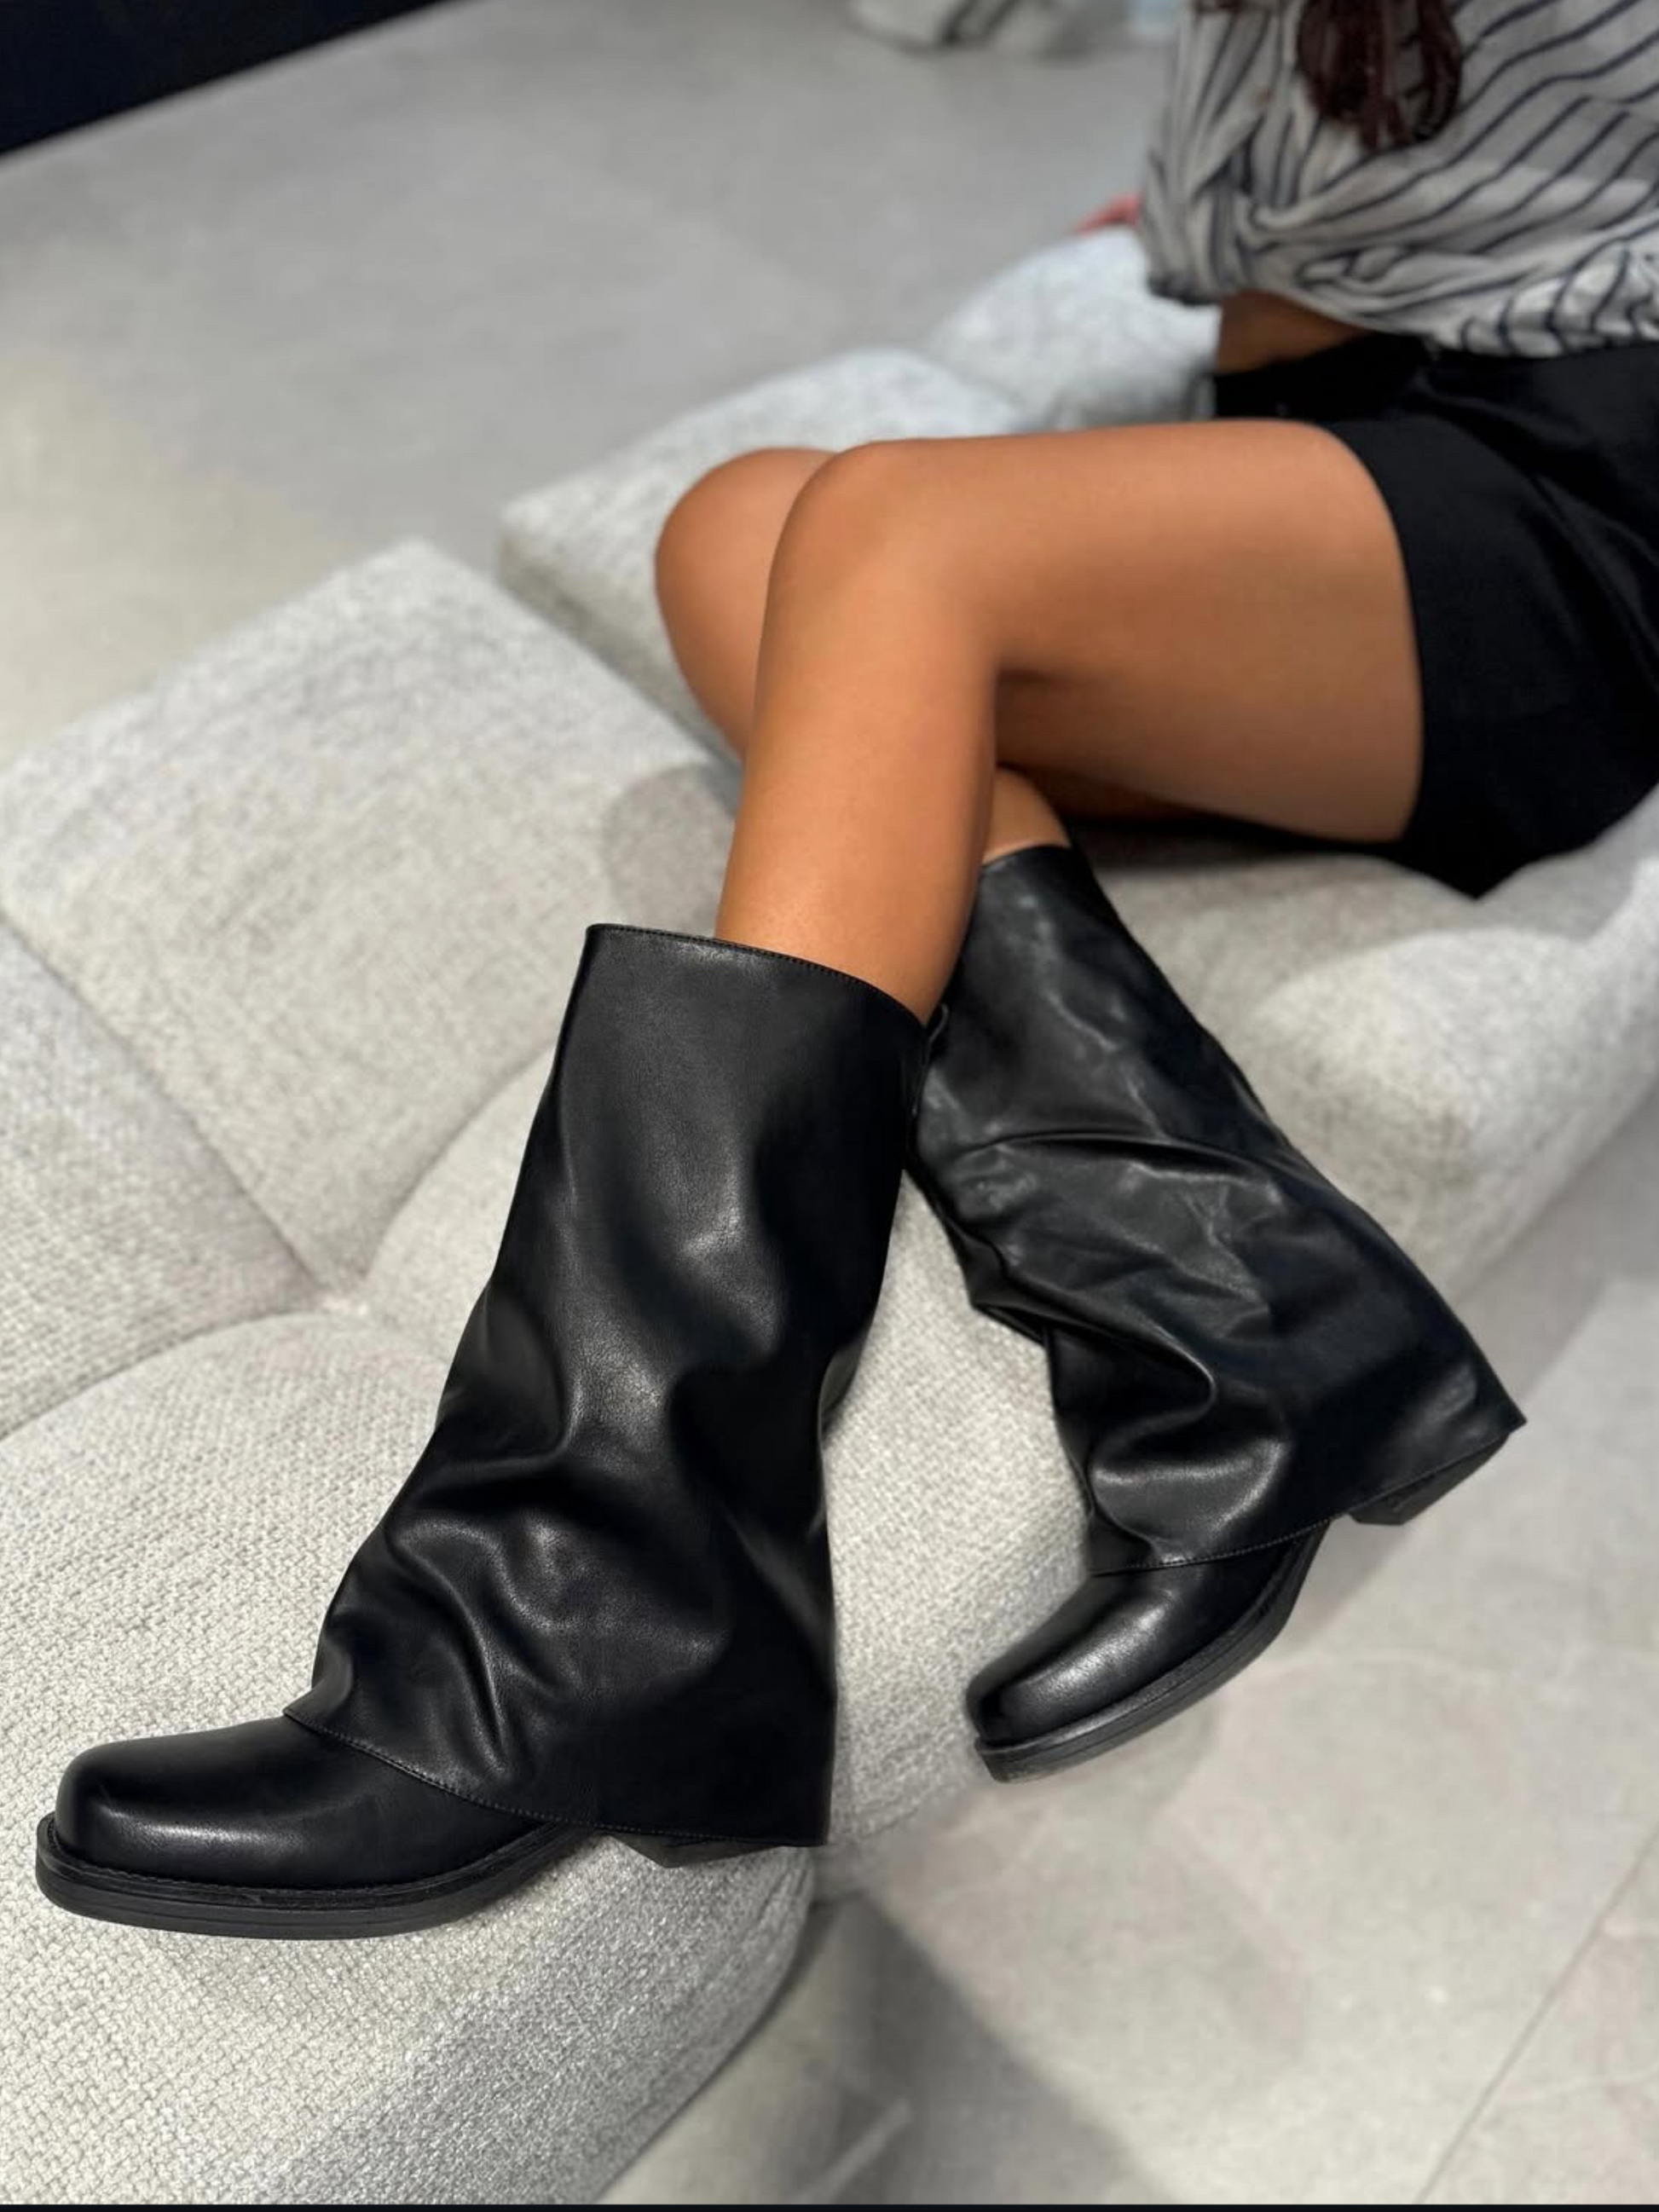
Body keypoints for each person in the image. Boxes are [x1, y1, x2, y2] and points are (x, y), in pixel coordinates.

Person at [38, 0, 1655, 1939]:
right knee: (737, 534)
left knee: (887, 537)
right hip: (1313, 436)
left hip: (1561, 494)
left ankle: (581, 1598)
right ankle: (1246, 1327)